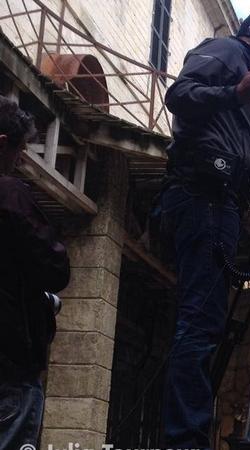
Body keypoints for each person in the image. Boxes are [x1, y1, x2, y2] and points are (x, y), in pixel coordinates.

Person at [160, 9, 250, 449]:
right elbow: (179, 95)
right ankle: (185, 441)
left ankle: (187, 435)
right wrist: (236, 91)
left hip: (218, 200)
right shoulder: (229, 51)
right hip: (205, 199)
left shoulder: (235, 74)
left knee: (204, 323)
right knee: (199, 323)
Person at [0, 95, 70, 449]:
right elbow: (55, 268)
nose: (20, 160)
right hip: (10, 367)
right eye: (19, 150)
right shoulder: (9, 195)